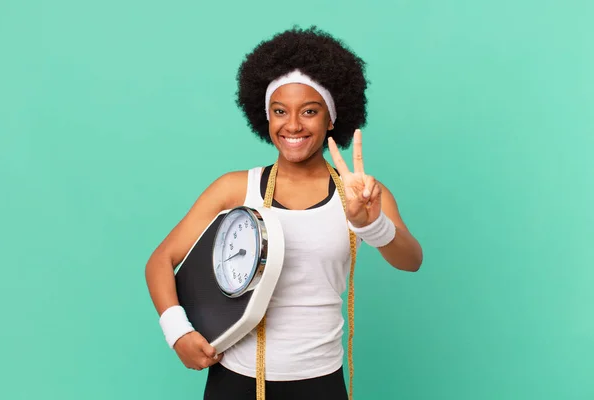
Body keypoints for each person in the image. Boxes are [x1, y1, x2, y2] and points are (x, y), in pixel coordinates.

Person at [145, 26, 423, 399]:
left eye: (309, 111)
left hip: (320, 381)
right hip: (235, 380)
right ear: (266, 117)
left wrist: (371, 225)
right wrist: (177, 331)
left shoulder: (361, 194)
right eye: (280, 111)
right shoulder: (233, 188)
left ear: (332, 117)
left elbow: (411, 260)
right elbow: (161, 260)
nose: (292, 125)